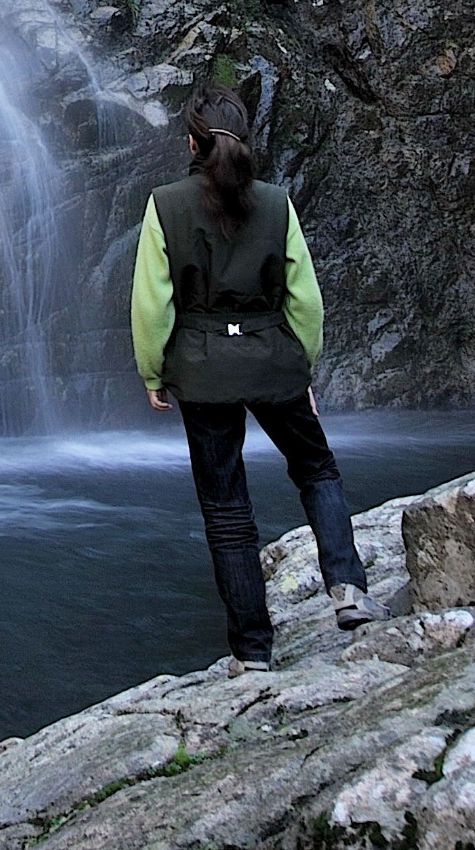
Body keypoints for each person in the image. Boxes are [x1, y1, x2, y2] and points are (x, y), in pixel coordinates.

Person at [130, 86, 390, 677]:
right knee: (316, 469)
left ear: (191, 143)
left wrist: (153, 371)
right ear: (243, 140)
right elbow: (307, 300)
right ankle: (347, 587)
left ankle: (252, 650)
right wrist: (305, 368)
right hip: (274, 358)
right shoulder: (277, 204)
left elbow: (151, 305)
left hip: (201, 368)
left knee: (226, 508)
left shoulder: (165, 205)